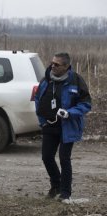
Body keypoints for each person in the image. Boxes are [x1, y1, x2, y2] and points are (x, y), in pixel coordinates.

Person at [34, 52, 91, 203]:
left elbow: (86, 104)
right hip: (49, 125)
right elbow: (38, 101)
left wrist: (69, 113)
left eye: (57, 64)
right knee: (46, 157)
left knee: (64, 159)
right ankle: (56, 186)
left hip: (67, 126)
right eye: (52, 63)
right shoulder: (46, 80)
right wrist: (42, 121)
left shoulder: (76, 80)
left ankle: (65, 194)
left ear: (66, 66)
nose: (53, 66)